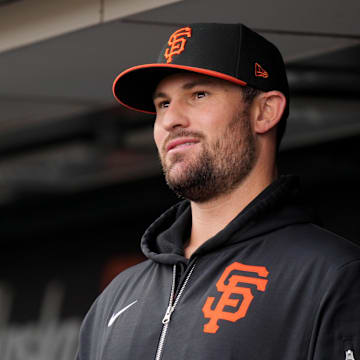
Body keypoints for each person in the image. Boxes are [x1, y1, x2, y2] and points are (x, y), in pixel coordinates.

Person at [76, 23, 360, 360]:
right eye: (163, 104)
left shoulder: (331, 274)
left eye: (198, 95)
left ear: (264, 111)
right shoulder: (116, 299)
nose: (171, 120)